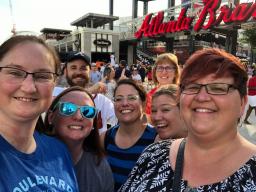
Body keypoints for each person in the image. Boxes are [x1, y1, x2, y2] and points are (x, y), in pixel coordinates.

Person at [119, 48, 256, 191]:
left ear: (242, 102)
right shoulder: (153, 154)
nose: (201, 97)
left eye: (218, 88)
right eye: (192, 87)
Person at [0, 35, 78, 191]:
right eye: (15, 72)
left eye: (42, 76)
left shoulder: (59, 151)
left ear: (54, 84)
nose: (29, 88)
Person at [45, 86, 114, 192]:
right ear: (51, 117)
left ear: (93, 124)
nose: (78, 116)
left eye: (87, 111)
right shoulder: (29, 159)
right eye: (68, 108)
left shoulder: (100, 166)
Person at [101, 79, 157, 191]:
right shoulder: (105, 138)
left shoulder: (156, 139)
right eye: (118, 99)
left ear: (144, 102)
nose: (125, 103)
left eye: (131, 98)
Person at [54, 51, 117, 134]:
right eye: (73, 68)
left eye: (83, 68)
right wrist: (89, 91)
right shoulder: (56, 92)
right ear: (66, 71)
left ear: (89, 72)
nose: (78, 72)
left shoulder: (103, 102)